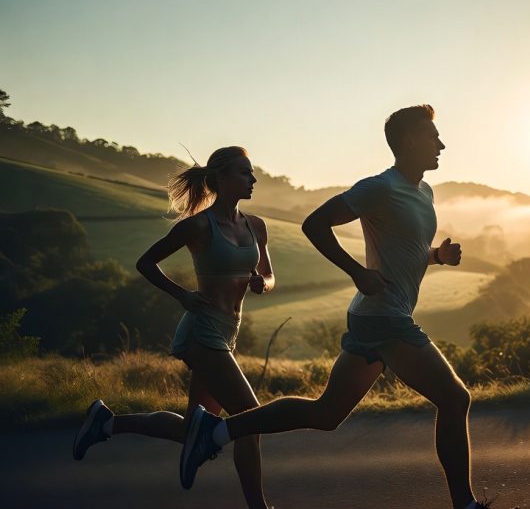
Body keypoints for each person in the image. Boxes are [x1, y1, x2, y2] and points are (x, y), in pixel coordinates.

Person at [179, 105, 492, 509]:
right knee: (455, 399)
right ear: (411, 141)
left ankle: (216, 433)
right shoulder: (379, 187)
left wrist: (436, 256)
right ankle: (465, 505)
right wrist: (356, 272)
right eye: (434, 136)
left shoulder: (423, 192)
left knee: (326, 414)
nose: (442, 144)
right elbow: (314, 223)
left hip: (372, 316)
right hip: (384, 318)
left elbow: (404, 251)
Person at [72, 146, 274, 509]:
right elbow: (146, 263)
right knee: (250, 418)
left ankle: (104, 422)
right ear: (222, 179)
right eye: (245, 173)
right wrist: (181, 294)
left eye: (252, 172)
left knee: (190, 430)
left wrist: (262, 283)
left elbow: (270, 276)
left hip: (229, 330)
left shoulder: (255, 225)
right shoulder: (198, 226)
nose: (253, 179)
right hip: (202, 332)